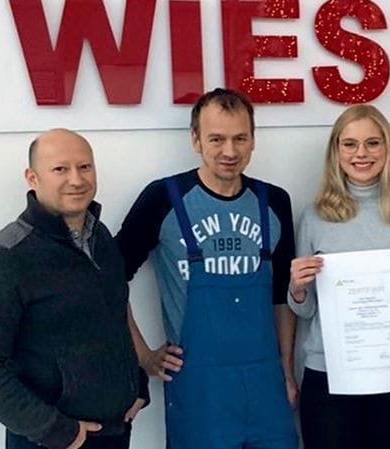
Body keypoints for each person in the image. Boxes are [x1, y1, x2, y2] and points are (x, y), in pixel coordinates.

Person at [116, 88, 297, 449]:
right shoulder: (163, 198)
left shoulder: (274, 202)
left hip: (267, 385)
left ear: (253, 140)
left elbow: (282, 296)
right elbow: (109, 280)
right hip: (200, 390)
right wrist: (144, 356)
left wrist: (287, 371)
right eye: (216, 139)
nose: (229, 151)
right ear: (196, 140)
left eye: (239, 138)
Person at [0, 129, 147, 449]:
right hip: (52, 441)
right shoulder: (6, 257)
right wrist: (55, 430)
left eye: (84, 167)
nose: (76, 180)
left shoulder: (100, 237)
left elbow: (114, 316)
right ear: (32, 178)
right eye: (60, 169)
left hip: (114, 433)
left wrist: (137, 383)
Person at [288, 104, 390, 449]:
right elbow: (306, 310)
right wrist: (298, 289)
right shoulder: (314, 217)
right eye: (350, 144)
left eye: (372, 143)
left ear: (387, 148)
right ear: (336, 151)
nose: (361, 153)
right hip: (331, 375)